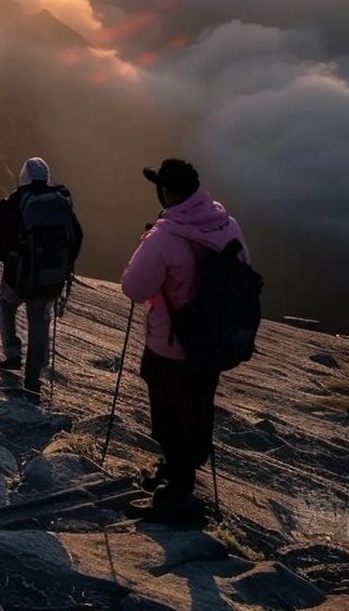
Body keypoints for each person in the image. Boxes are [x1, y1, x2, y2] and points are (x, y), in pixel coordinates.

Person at [121, 158, 250, 525]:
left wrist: (144, 248)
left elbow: (134, 287)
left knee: (168, 417)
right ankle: (181, 472)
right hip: (212, 343)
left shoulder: (165, 237)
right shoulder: (228, 224)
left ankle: (176, 493)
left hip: (171, 344)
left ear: (167, 192)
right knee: (197, 408)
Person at [0, 157, 83, 403]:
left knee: (5, 306)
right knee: (39, 323)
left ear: (23, 176)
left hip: (18, 278)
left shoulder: (13, 203)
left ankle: (13, 354)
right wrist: (64, 267)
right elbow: (76, 237)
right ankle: (32, 382)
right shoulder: (60, 203)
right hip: (50, 280)